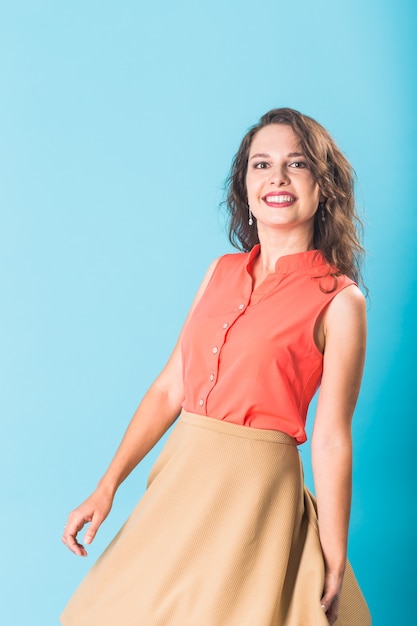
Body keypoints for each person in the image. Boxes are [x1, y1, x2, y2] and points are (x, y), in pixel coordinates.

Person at [61, 108, 371, 626]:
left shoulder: (341, 300)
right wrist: (107, 484)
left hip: (255, 494)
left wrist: (334, 555)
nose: (277, 176)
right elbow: (169, 388)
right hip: (181, 477)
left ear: (325, 187)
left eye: (297, 164)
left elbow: (333, 436)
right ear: (245, 186)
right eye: (261, 164)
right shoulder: (220, 271)